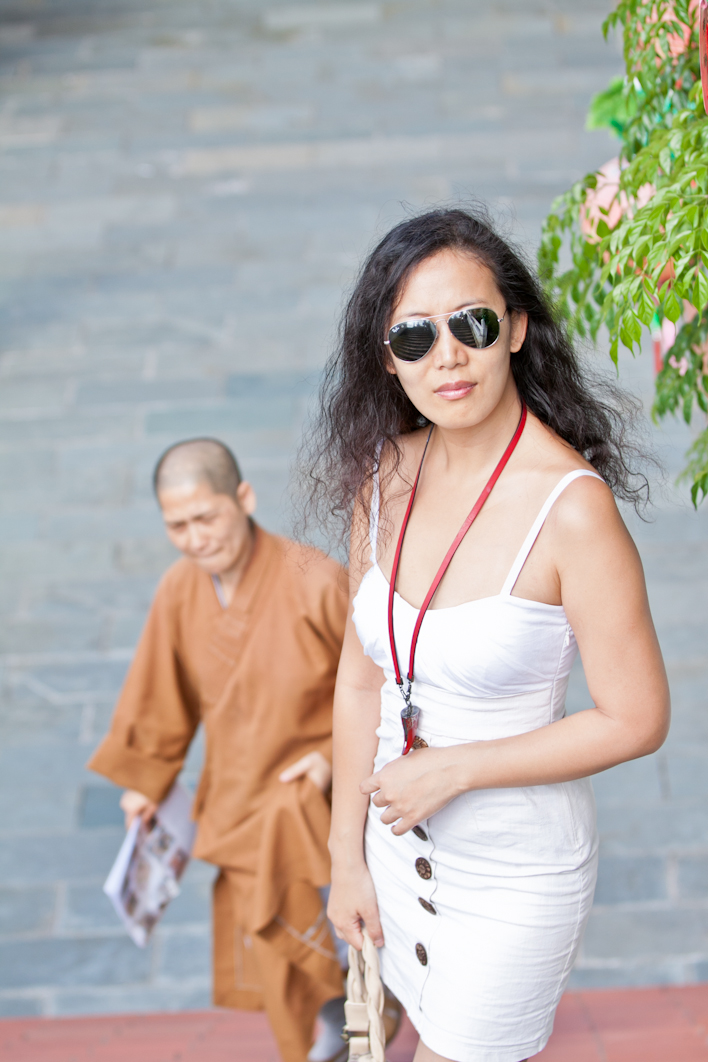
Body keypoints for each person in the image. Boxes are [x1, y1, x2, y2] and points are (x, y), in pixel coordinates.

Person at [302, 208, 670, 1062]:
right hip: (396, 854)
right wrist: (345, 856)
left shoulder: (572, 510)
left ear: (515, 328)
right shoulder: (383, 478)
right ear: (384, 357)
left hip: (514, 872)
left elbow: (637, 718)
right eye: (414, 338)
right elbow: (362, 681)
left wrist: (456, 767)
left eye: (470, 325)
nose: (448, 357)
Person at [88, 438, 351, 1062]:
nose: (195, 538)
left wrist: (335, 759)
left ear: (243, 498)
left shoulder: (314, 581)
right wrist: (145, 783)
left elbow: (383, 688)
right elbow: (160, 693)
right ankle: (325, 1041)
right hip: (238, 803)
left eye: (206, 517)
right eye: (177, 525)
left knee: (334, 941)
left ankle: (352, 1027)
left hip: (314, 809)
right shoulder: (180, 590)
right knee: (281, 960)